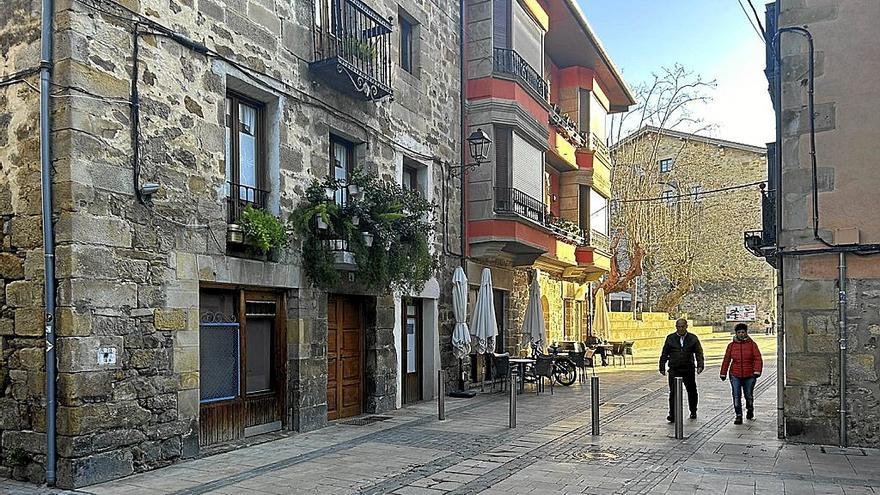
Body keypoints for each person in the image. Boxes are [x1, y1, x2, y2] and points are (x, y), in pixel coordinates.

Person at [659, 318, 705, 422]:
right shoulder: (670, 338)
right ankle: (672, 414)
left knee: (692, 390)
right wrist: (662, 366)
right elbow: (665, 353)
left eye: (682, 326)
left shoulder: (693, 338)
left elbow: (699, 352)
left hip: (688, 368)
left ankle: (693, 410)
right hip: (674, 368)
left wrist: (700, 365)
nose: (680, 329)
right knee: (673, 392)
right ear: (676, 327)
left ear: (686, 326)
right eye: (678, 327)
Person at [720, 323, 763, 424]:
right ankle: (738, 415)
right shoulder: (731, 346)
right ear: (736, 333)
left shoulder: (752, 345)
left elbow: (758, 358)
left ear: (746, 333)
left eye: (743, 332)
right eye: (739, 332)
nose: (741, 334)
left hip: (750, 374)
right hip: (735, 374)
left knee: (748, 395)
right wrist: (723, 373)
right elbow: (726, 359)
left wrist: (757, 371)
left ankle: (750, 408)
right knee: (736, 395)